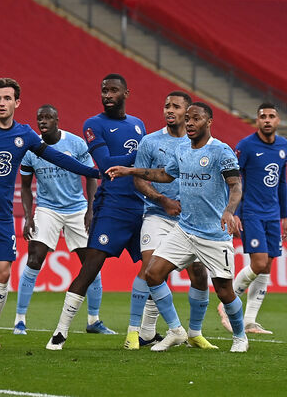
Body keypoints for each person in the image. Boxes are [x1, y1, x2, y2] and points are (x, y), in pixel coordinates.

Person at [0, 78, 100, 349]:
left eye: (7, 98)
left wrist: (95, 172)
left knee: (3, 273)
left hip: (2, 214)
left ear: (17, 103)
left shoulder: (25, 134)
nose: (2, 103)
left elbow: (57, 157)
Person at [107, 102, 249, 353]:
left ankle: (240, 337)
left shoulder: (221, 151)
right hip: (185, 230)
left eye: (196, 119)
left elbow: (235, 184)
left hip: (213, 235)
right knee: (153, 274)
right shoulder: (183, 149)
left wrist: (229, 210)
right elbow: (165, 174)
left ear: (209, 122)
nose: (190, 123)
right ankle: (176, 330)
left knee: (225, 292)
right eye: (189, 119)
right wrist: (130, 171)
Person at [46, 73, 145, 351]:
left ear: (126, 93)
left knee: (155, 269)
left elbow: (144, 168)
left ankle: (147, 332)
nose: (107, 95)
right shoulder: (93, 124)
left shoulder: (138, 125)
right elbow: (105, 164)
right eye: (104, 91)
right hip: (112, 206)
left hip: (140, 205)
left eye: (113, 90)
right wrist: (142, 154)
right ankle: (60, 332)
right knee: (90, 267)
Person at [124, 91, 216, 350]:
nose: (169, 110)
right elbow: (139, 179)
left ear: (188, 113)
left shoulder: (198, 144)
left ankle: (194, 333)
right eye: (167, 106)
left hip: (191, 220)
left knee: (199, 273)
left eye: (176, 106)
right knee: (149, 268)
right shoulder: (150, 142)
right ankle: (134, 332)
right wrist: (162, 200)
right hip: (157, 215)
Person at [13, 104, 113, 336]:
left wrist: (91, 210)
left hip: (77, 209)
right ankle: (19, 320)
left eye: (48, 117)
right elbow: (25, 187)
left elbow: (91, 177)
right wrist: (28, 216)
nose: (43, 121)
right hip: (47, 209)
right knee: (34, 259)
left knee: (91, 263)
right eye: (40, 118)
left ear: (57, 120)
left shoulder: (76, 144)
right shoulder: (31, 149)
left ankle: (93, 320)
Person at [216, 103, 287, 335]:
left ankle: (249, 321)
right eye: (263, 116)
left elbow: (281, 182)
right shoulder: (246, 146)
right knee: (258, 263)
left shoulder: (283, 146)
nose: (267, 120)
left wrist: (284, 216)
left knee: (266, 266)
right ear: (257, 121)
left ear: (277, 120)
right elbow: (234, 180)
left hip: (272, 214)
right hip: (252, 213)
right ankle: (226, 303)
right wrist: (235, 211)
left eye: (271, 116)